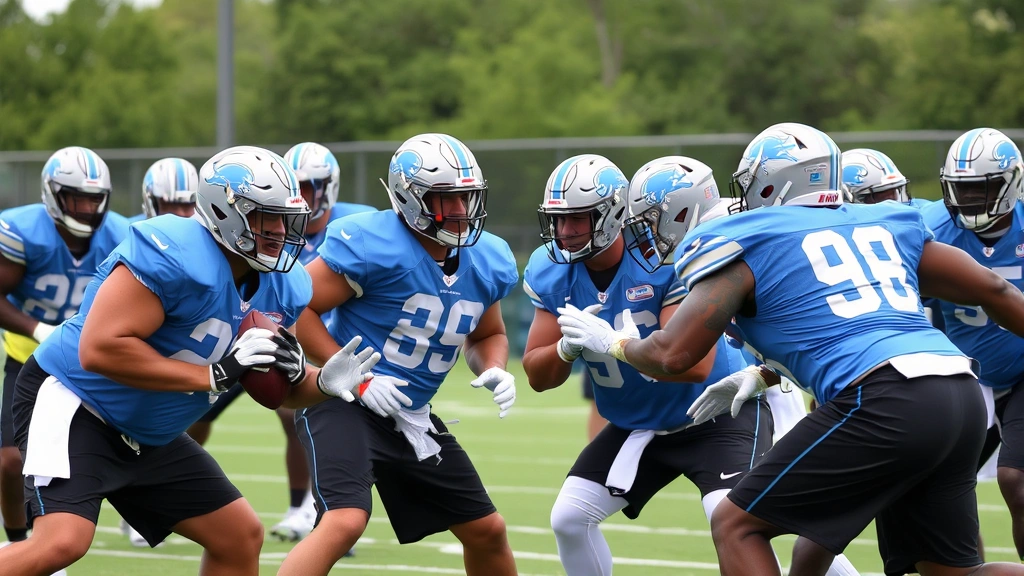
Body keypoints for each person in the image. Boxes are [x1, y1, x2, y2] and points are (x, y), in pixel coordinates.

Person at [557, 122, 1024, 575]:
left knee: (736, 525)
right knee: (951, 572)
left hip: (884, 397)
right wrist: (764, 372)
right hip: (957, 390)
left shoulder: (747, 239)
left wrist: (614, 342)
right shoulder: (882, 221)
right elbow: (995, 292)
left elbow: (670, 355)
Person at [0, 146, 379, 576]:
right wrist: (214, 374)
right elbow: (99, 348)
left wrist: (321, 382)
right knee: (61, 544)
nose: (279, 231)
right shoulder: (173, 254)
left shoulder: (282, 284)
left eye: (285, 219)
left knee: (238, 536)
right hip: (77, 403)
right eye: (265, 218)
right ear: (224, 212)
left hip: (147, 428)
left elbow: (278, 392)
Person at [522, 154, 773, 576]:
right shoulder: (551, 271)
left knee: (731, 518)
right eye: (559, 220)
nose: (564, 233)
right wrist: (565, 349)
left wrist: (613, 342)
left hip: (717, 412)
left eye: (578, 219)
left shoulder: (661, 255)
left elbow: (690, 363)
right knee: (569, 519)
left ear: (613, 213)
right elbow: (536, 375)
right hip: (639, 424)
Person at [280, 133, 519, 576]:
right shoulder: (374, 242)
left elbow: (488, 334)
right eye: (447, 200)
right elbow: (301, 308)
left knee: (488, 530)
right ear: (410, 200)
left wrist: (495, 368)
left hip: (410, 414)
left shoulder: (488, 259)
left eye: (467, 197)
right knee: (345, 520)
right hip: (344, 403)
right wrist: (355, 377)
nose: (462, 211)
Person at [182, 142, 374, 545]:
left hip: (273, 335)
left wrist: (317, 375)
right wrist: (217, 371)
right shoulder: (183, 249)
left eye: (311, 187)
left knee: (292, 411)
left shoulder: (354, 231)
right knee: (193, 416)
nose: (283, 226)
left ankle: (303, 505)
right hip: (221, 341)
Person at [0, 146, 127, 556]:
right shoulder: (23, 232)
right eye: (78, 198)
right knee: (9, 461)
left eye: (95, 199)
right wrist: (38, 328)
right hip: (29, 359)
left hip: (94, 363)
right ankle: (21, 543)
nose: (88, 209)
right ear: (53, 195)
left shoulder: (120, 236)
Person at [922, 129, 1024, 559]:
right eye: (960, 190)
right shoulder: (930, 228)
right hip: (965, 374)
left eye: (982, 190)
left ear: (1012, 183)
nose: (969, 202)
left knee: (1017, 481)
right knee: (937, 488)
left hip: (1022, 373)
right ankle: (968, 570)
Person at [119, 157, 200, 547]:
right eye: (171, 206)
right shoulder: (136, 241)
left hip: (190, 361)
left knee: (240, 533)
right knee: (62, 541)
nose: (182, 215)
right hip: (117, 371)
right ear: (150, 203)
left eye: (189, 205)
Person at [128, 157, 200, 224]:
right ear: (151, 203)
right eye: (168, 205)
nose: (180, 213)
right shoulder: (131, 231)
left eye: (188, 205)